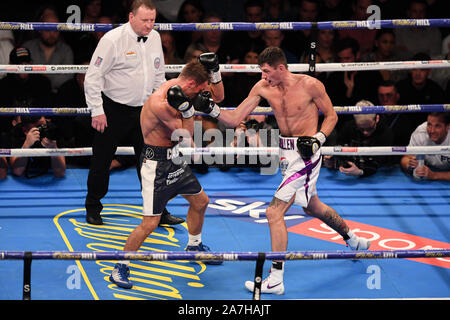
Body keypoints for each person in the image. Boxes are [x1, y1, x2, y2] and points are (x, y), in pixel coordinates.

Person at [195, 46, 371, 295]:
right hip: (285, 152)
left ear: (281, 67)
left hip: (306, 153)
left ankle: (276, 277)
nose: (264, 77)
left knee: (273, 212)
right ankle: (353, 240)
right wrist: (211, 109)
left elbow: (331, 116)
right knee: (312, 205)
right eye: (261, 72)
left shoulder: (310, 85)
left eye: (267, 72)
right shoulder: (262, 87)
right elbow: (235, 119)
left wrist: (318, 139)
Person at [109, 60, 222, 289]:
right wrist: (189, 111)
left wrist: (215, 73)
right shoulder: (161, 103)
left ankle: (193, 246)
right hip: (156, 164)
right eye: (199, 90)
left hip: (175, 159)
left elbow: (218, 98)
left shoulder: (179, 85)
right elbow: (186, 134)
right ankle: (120, 267)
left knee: (201, 201)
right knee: (150, 222)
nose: (200, 95)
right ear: (191, 83)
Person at [83, 0, 183, 226]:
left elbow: (159, 76)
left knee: (151, 164)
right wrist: (97, 110)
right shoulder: (112, 40)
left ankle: (159, 211)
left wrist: (164, 106)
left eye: (152, 20)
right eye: (145, 20)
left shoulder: (155, 38)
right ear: (131, 17)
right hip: (112, 110)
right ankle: (93, 207)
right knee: (101, 162)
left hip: (145, 111)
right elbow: (93, 76)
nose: (150, 25)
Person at [323, 100, 395, 177]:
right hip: (347, 174)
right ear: (355, 122)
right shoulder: (348, 128)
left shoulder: (385, 133)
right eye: (361, 129)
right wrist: (332, 160)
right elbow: (340, 149)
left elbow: (379, 161)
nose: (365, 133)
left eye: (369, 128)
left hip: (380, 175)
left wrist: (361, 172)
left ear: (377, 118)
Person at [23, 11, 74, 94]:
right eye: (47, 30)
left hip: (58, 97)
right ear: (39, 29)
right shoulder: (28, 48)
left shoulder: (66, 50)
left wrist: (41, 79)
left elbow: (68, 77)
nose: (52, 34)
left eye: (55, 30)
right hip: (31, 97)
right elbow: (23, 77)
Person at [400, 112, 450, 181]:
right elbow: (405, 158)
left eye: (437, 126)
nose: (432, 131)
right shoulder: (420, 132)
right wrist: (409, 165)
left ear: (447, 127)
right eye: (429, 125)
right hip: (427, 173)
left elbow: (433, 175)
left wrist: (434, 175)